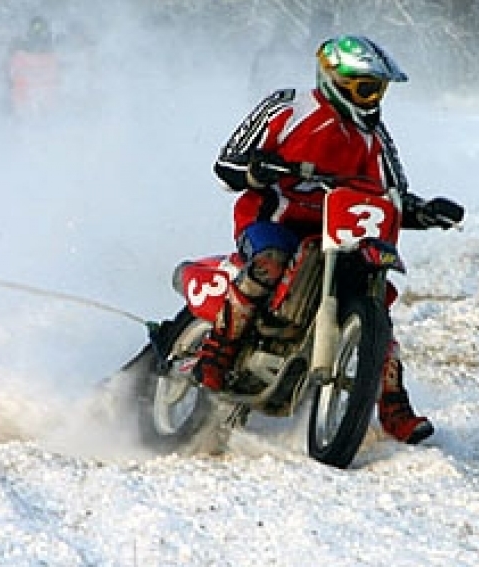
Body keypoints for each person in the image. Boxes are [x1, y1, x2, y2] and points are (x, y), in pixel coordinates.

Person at [196, 34, 464, 444]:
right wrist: (256, 170)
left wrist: (425, 211)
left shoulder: (376, 137)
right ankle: (218, 350)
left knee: (376, 295)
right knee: (271, 260)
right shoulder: (288, 106)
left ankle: (392, 404)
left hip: (336, 233)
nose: (374, 99)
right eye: (366, 88)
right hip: (273, 220)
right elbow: (226, 163)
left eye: (379, 90)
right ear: (335, 80)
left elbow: (392, 194)